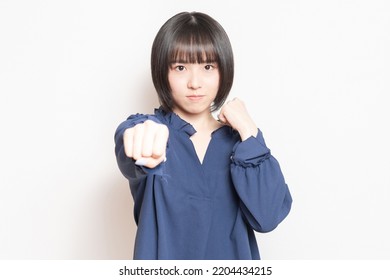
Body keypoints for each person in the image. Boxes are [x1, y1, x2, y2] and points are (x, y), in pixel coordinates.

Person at [114, 11, 292, 260]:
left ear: (224, 70)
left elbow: (268, 217)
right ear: (162, 72)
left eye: (208, 66)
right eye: (180, 67)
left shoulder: (243, 144)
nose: (195, 82)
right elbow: (130, 146)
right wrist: (141, 139)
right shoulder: (150, 131)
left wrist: (249, 131)